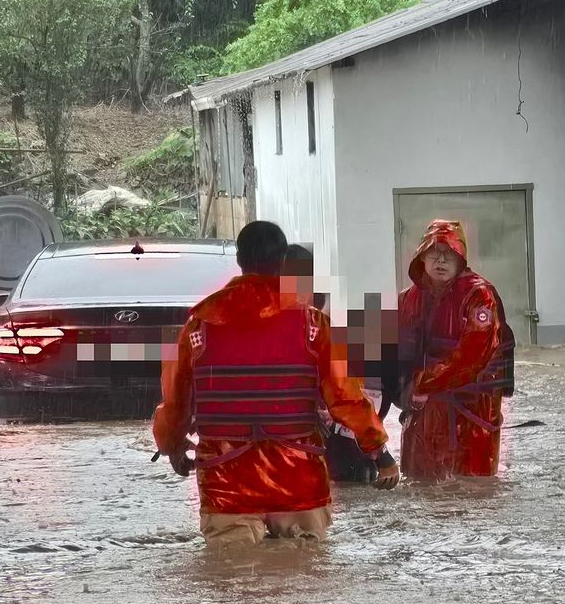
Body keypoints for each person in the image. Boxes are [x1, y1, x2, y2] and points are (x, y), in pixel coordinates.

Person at [152, 221, 399, 546]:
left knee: (233, 580)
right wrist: (380, 453)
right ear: (283, 262)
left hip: (227, 483)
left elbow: (176, 400)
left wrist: (172, 446)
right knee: (304, 581)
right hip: (298, 482)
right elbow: (345, 397)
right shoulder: (313, 324)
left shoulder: (200, 324)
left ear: (239, 259)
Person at [397, 219, 513, 480]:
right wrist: (402, 392)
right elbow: (397, 354)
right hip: (421, 415)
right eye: (434, 252)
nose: (441, 260)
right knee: (420, 485)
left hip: (471, 412)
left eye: (449, 253)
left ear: (461, 259)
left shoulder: (480, 296)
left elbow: (474, 355)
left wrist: (424, 383)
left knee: (471, 488)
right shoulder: (408, 299)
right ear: (422, 257)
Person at [282, 243, 396, 485]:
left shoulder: (327, 325)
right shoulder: (318, 325)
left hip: (327, 436)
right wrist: (380, 452)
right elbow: (348, 395)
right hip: (310, 439)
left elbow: (358, 393)